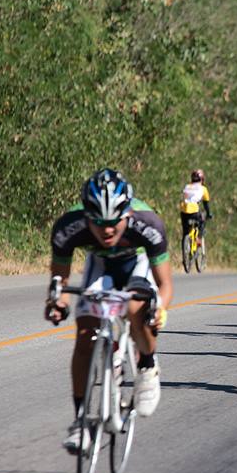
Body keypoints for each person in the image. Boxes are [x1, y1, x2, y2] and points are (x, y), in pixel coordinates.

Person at [46, 168, 173, 453]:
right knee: (85, 334)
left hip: (137, 262)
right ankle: (80, 422)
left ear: (128, 214)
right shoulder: (68, 226)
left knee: (136, 307)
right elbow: (58, 282)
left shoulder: (148, 224)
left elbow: (165, 284)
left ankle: (147, 366)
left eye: (115, 223)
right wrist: (57, 303)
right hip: (100, 265)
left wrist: (159, 310)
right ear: (86, 217)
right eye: (99, 223)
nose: (107, 231)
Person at [180, 169, 212, 249]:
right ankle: (199, 238)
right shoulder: (203, 188)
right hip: (194, 211)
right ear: (202, 179)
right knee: (202, 221)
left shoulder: (187, 186)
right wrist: (209, 214)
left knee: (185, 232)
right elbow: (206, 204)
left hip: (183, 211)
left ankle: (184, 253)